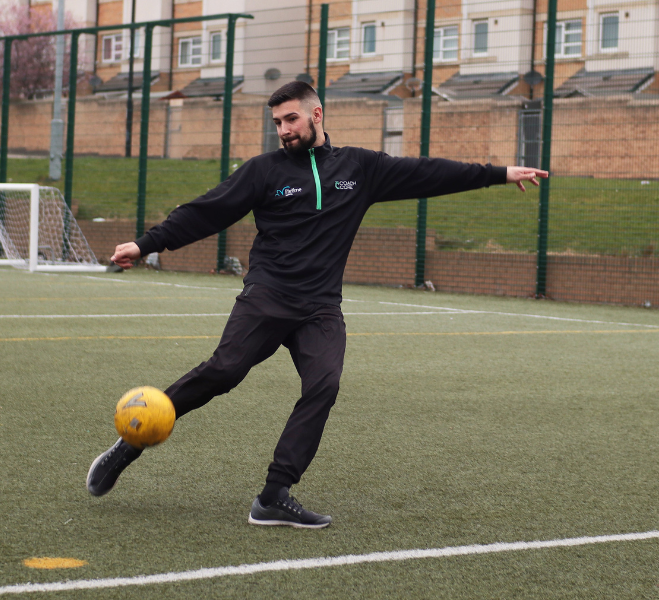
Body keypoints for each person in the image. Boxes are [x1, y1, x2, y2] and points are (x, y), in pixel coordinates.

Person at [87, 80, 548, 529]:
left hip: (321, 308)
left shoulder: (360, 169)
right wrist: (146, 244)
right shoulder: (264, 170)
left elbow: (428, 172)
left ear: (317, 114)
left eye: (291, 118)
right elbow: (206, 211)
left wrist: (501, 174)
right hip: (267, 297)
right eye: (277, 122)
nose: (284, 129)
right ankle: (129, 444)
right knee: (223, 373)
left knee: (323, 386)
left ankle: (273, 496)